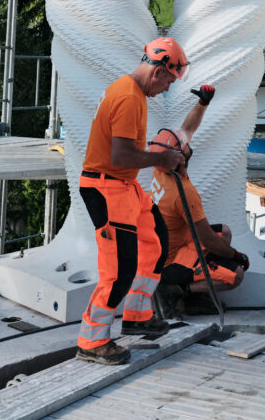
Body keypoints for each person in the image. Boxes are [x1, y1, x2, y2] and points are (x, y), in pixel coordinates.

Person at [76, 37, 189, 366]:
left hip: (123, 186)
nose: (167, 89)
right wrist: (162, 158)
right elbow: (121, 154)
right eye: (169, 81)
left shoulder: (132, 93)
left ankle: (138, 315)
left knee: (155, 241)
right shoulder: (128, 97)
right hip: (106, 188)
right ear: (158, 71)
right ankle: (92, 340)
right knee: (119, 269)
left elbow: (122, 157)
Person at [148, 85, 249, 318]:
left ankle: (193, 298)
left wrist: (203, 103)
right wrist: (237, 257)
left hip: (164, 248)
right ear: (179, 158)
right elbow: (207, 240)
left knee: (224, 231)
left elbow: (187, 129)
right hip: (169, 262)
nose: (187, 144)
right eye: (184, 147)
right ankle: (174, 290)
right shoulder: (182, 193)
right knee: (235, 274)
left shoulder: (162, 170)